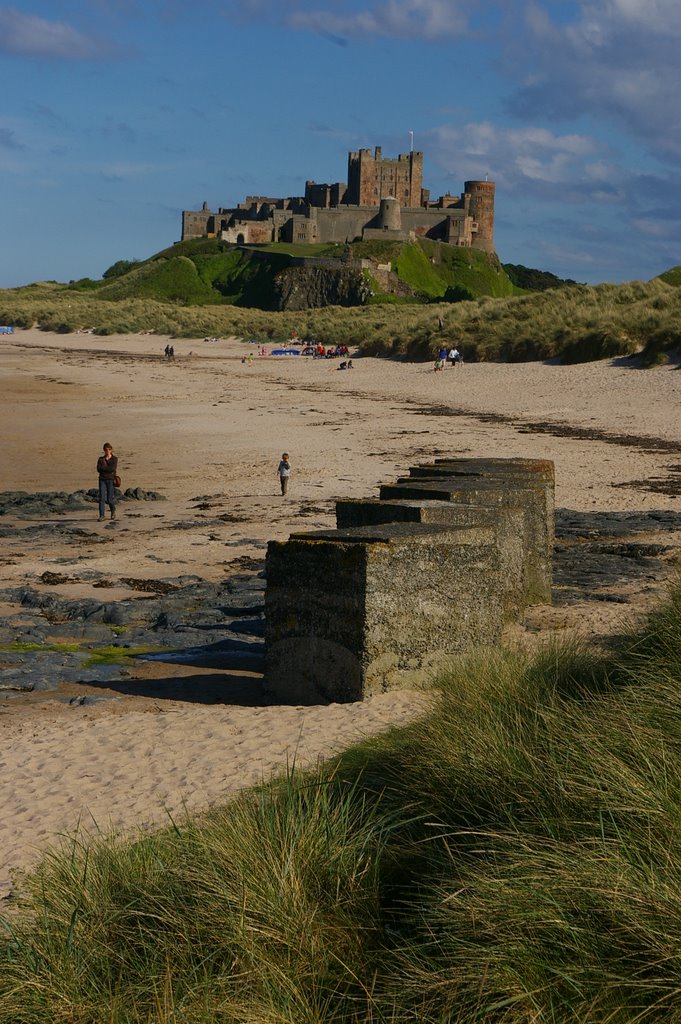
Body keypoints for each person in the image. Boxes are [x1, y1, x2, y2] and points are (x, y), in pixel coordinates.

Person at [97, 443, 118, 521]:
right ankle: (101, 515)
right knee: (101, 498)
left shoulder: (114, 459)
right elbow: (98, 469)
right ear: (104, 450)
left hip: (110, 480)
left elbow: (112, 469)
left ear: (111, 450)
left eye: (109, 449)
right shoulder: (100, 459)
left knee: (109, 499)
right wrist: (107, 469)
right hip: (102, 479)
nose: (107, 451)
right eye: (106, 450)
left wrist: (104, 468)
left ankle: (113, 510)